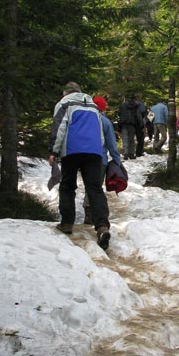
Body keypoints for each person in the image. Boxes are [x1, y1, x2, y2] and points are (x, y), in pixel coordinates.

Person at [48, 82, 111, 250]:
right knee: (94, 188)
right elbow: (100, 132)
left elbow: (60, 127)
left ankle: (67, 223)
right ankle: (102, 227)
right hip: (94, 151)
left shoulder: (64, 103)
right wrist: (100, 151)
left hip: (72, 149)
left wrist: (53, 151)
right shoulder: (93, 106)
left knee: (68, 185)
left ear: (65, 93)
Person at [84, 96, 122, 225]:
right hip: (100, 160)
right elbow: (111, 143)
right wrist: (117, 160)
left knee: (88, 186)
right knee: (95, 187)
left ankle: (88, 214)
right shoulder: (105, 121)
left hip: (84, 158)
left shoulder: (84, 120)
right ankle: (95, 216)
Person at [117, 94, 142, 159]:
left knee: (125, 139)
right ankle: (131, 154)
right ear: (134, 98)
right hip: (132, 124)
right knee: (132, 139)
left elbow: (120, 114)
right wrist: (141, 124)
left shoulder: (122, 104)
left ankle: (125, 154)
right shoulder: (136, 105)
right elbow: (138, 115)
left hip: (124, 123)